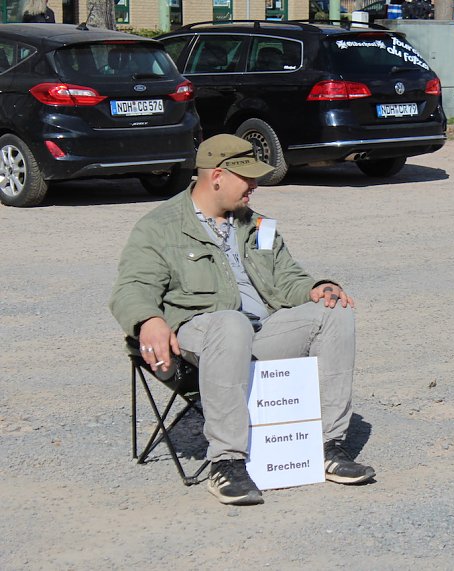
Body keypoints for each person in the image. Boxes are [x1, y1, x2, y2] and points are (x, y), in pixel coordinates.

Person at [110, 134, 376, 506]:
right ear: (216, 176)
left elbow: (287, 277)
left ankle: (328, 447)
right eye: (246, 177)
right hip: (201, 336)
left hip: (260, 335)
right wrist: (149, 320)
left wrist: (316, 287)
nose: (255, 185)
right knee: (230, 323)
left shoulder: (259, 226)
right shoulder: (160, 227)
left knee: (334, 312)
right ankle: (227, 463)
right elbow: (131, 289)